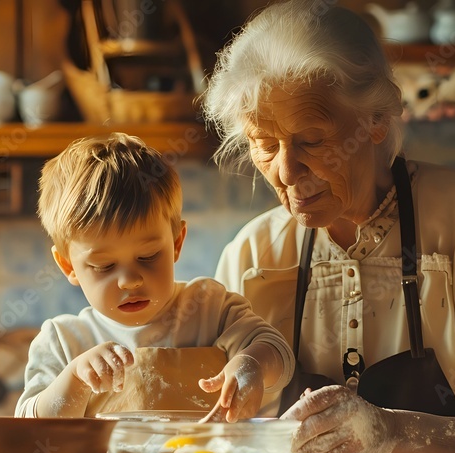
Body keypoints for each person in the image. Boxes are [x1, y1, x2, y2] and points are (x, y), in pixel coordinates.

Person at [202, 0, 455, 453]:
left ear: (377, 119)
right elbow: (214, 447)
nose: (286, 171)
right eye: (265, 143)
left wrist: (389, 433)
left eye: (312, 140)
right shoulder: (254, 256)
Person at [15, 133, 295, 427]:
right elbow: (29, 427)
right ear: (68, 265)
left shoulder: (210, 308)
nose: (130, 280)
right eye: (104, 265)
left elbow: (278, 353)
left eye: (148, 257)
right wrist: (74, 380)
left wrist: (253, 364)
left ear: (176, 243)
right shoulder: (64, 342)